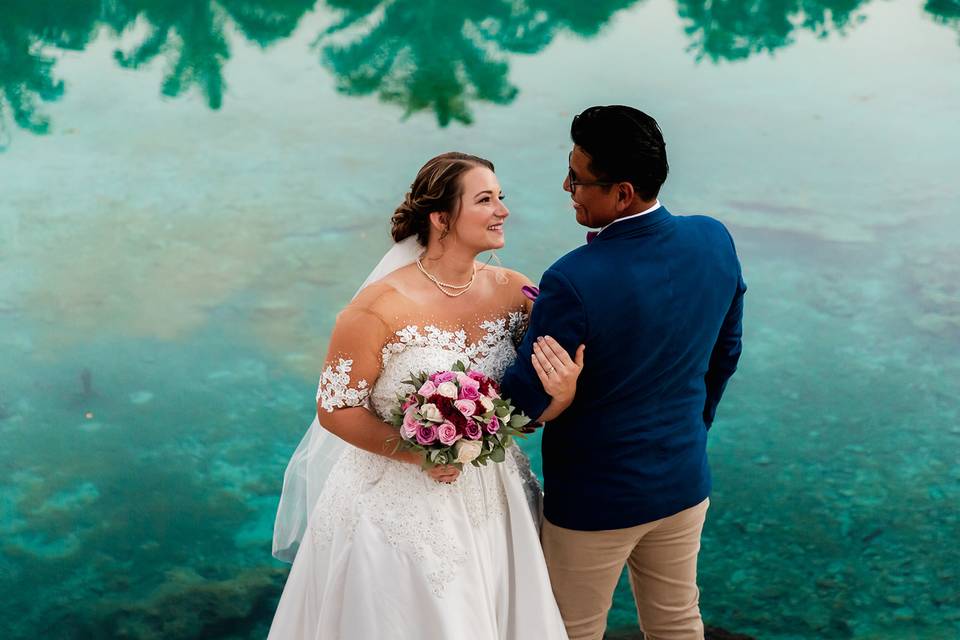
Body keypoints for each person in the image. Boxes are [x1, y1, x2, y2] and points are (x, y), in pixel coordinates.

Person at [268, 152, 574, 639]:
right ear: (440, 217)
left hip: (496, 500)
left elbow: (526, 409)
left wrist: (562, 395)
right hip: (397, 506)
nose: (502, 210)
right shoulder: (376, 308)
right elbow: (336, 409)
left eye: (501, 198)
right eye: (484, 200)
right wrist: (419, 457)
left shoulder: (517, 292)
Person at [501, 105, 747, 640]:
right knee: (678, 621)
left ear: (623, 193)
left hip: (597, 498)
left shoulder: (573, 279)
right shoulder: (714, 239)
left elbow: (522, 402)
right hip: (684, 480)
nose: (567, 185)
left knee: (569, 629)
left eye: (579, 179)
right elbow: (725, 355)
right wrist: (691, 429)